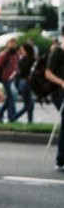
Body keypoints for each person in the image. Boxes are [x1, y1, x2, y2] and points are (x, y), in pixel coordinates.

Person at [44, 34, 64, 171]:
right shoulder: (57, 52)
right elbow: (48, 73)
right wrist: (62, 82)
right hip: (58, 92)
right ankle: (60, 158)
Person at [0, 37, 19, 123]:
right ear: (7, 44)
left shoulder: (16, 54)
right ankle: (12, 116)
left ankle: (0, 114)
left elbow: (16, 66)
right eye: (10, 43)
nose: (12, 45)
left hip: (13, 78)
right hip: (5, 78)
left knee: (9, 98)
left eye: (14, 43)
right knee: (11, 97)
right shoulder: (4, 54)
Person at [11, 42, 36, 123]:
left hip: (23, 83)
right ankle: (13, 119)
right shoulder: (30, 60)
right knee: (28, 105)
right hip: (26, 83)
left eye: (23, 49)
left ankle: (30, 121)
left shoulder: (23, 60)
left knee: (30, 104)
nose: (21, 51)